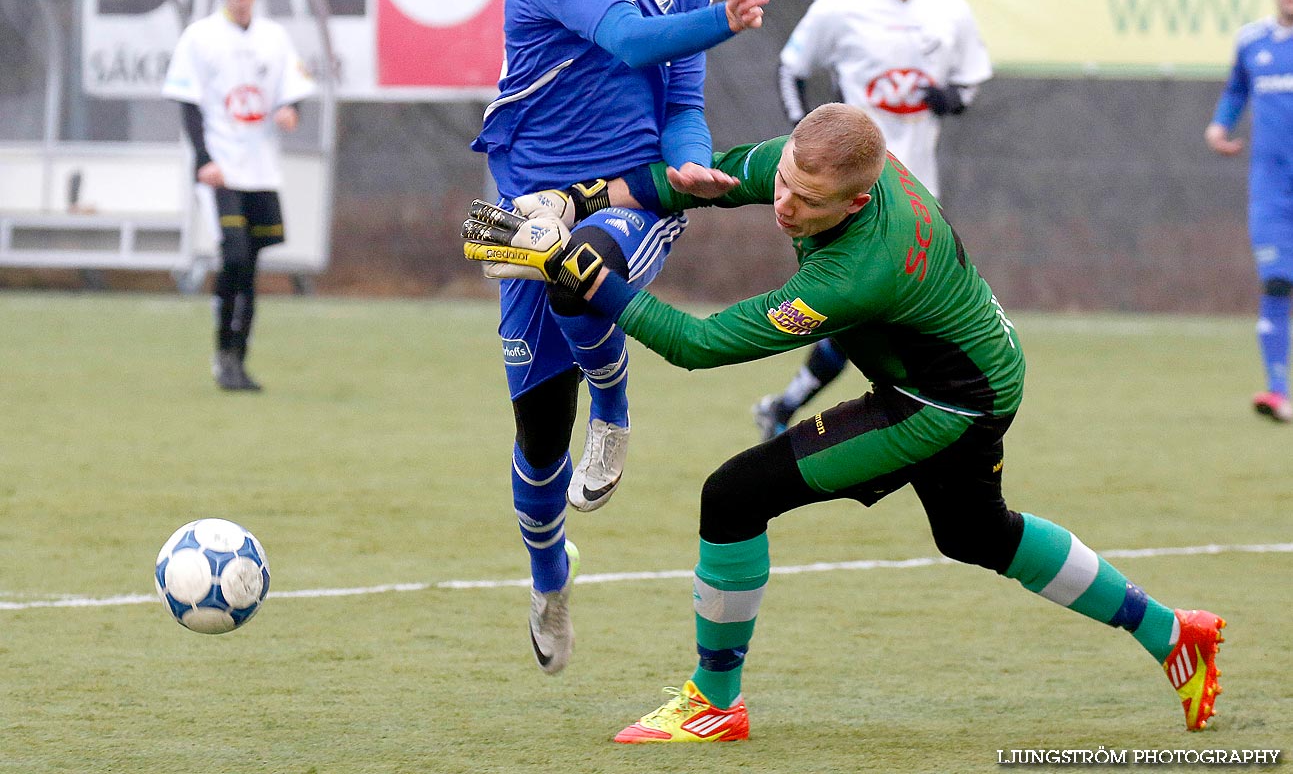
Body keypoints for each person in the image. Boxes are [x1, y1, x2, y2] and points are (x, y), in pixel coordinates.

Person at [463, 102, 1226, 741]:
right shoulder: (813, 159)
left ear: (855, 204)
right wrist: (586, 200)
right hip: (980, 365)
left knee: (733, 496)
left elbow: (697, 345)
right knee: (973, 533)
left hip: (945, 401)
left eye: (806, 202)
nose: (785, 206)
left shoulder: (858, 271)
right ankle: (1171, 633)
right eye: (784, 183)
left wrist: (582, 273)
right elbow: (703, 180)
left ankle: (713, 704)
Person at [468, 0, 767, 675]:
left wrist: (694, 165)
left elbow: (680, 105)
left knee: (581, 268)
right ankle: (549, 578)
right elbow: (631, 40)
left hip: (630, 201)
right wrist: (726, 17)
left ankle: (616, 407)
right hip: (523, 204)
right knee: (533, 438)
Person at [753, 0, 992, 443]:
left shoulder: (949, 11)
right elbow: (791, 69)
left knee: (872, 309)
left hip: (918, 192)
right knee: (865, 304)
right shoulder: (840, 10)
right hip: (853, 191)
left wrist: (951, 98)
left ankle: (789, 406)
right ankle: (901, 408)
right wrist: (803, 140)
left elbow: (971, 78)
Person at [162, 0, 315, 392]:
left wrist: (291, 110)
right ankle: (222, 350)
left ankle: (237, 358)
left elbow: (294, 89)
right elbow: (188, 104)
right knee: (234, 255)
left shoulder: (274, 37)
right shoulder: (201, 37)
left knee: (250, 267)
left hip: (261, 170)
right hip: (221, 170)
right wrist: (203, 159)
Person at [1205, 0, 1293, 423]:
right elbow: (1237, 87)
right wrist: (1221, 125)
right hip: (1272, 191)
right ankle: (1277, 392)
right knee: (1278, 281)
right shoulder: (1252, 41)